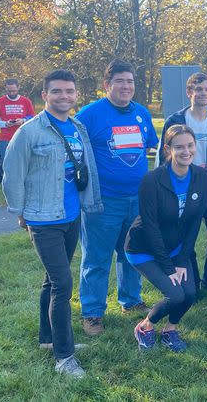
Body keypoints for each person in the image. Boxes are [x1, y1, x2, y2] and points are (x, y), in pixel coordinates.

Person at [2, 70, 102, 377]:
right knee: (62, 284)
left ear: (75, 95)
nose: (64, 96)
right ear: (44, 95)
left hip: (71, 216)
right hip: (43, 219)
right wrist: (20, 211)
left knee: (50, 280)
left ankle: (48, 338)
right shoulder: (29, 132)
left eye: (69, 91)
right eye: (57, 91)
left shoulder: (78, 127)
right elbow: (12, 175)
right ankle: (64, 356)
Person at [77, 59, 159, 336]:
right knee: (97, 258)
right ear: (106, 85)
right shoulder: (89, 115)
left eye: (130, 81)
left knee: (131, 254)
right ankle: (92, 312)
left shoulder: (142, 113)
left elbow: (150, 149)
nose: (126, 86)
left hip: (137, 200)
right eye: (120, 81)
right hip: (103, 201)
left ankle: (131, 299)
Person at [126, 125, 207, 351]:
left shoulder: (202, 176)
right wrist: (169, 268)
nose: (186, 151)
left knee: (190, 293)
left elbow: (195, 223)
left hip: (175, 247)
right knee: (175, 294)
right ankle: (144, 326)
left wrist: (182, 261)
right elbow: (151, 227)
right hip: (143, 248)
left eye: (190, 146)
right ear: (167, 149)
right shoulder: (152, 180)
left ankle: (170, 330)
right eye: (179, 146)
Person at [156, 72, 207, 292]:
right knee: (185, 238)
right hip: (184, 187)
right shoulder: (176, 121)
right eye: (198, 89)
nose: (203, 94)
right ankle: (192, 282)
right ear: (189, 92)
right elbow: (164, 157)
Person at [0, 78, 36, 164]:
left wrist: (23, 120)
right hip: (5, 138)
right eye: (9, 91)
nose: (11, 93)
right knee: (6, 163)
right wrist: (5, 124)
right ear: (5, 88)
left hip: (23, 137)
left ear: (18, 87)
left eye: (13, 91)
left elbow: (32, 117)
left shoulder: (26, 101)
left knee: (23, 162)